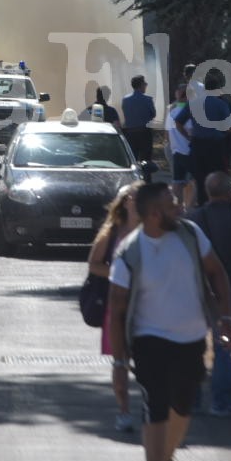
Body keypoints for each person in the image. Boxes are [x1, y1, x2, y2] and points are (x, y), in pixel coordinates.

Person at [108, 182, 231, 461]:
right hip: (149, 340)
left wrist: (226, 318)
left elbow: (217, 273)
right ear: (153, 214)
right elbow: (117, 312)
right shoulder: (129, 253)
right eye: (171, 203)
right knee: (156, 407)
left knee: (183, 408)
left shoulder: (191, 235)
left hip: (191, 338)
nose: (179, 206)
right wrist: (119, 365)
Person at [193, 171, 231, 416]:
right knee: (224, 346)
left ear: (207, 192)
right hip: (226, 291)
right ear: (230, 193)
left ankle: (192, 399)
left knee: (194, 346)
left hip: (197, 290)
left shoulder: (193, 218)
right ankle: (221, 401)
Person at [89, 183, 142, 432]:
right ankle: (123, 411)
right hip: (117, 306)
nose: (137, 201)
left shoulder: (154, 231)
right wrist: (120, 274)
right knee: (120, 363)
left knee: (148, 363)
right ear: (125, 202)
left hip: (146, 305)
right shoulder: (111, 231)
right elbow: (94, 265)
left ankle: (152, 411)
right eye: (132, 197)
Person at [165, 86, 193, 203]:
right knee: (192, 182)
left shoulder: (171, 112)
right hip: (188, 151)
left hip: (176, 151)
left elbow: (167, 133)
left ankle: (178, 206)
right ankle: (189, 208)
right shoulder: (188, 113)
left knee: (177, 181)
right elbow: (191, 131)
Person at [121, 76, 156, 162]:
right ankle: (146, 175)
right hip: (144, 132)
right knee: (146, 160)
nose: (146, 85)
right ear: (141, 85)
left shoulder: (125, 99)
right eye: (145, 83)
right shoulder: (147, 99)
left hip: (130, 133)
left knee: (133, 158)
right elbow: (153, 114)